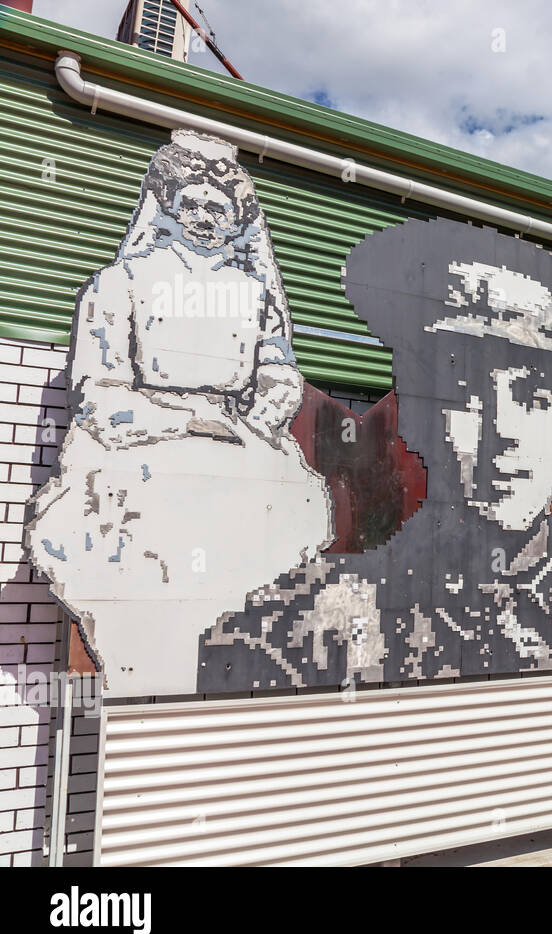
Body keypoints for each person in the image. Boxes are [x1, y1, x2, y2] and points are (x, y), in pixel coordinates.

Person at [198, 217, 552, 690]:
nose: (503, 432)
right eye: (467, 393)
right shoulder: (290, 638)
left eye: (533, 397)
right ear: (416, 418)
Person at [26, 130, 331, 697]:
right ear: (168, 205)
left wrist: (268, 405)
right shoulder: (118, 286)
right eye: (192, 204)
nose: (205, 219)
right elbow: (97, 394)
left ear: (237, 216)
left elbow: (278, 367)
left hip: (240, 447)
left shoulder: (252, 295)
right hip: (139, 458)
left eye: (219, 208)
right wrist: (187, 419)